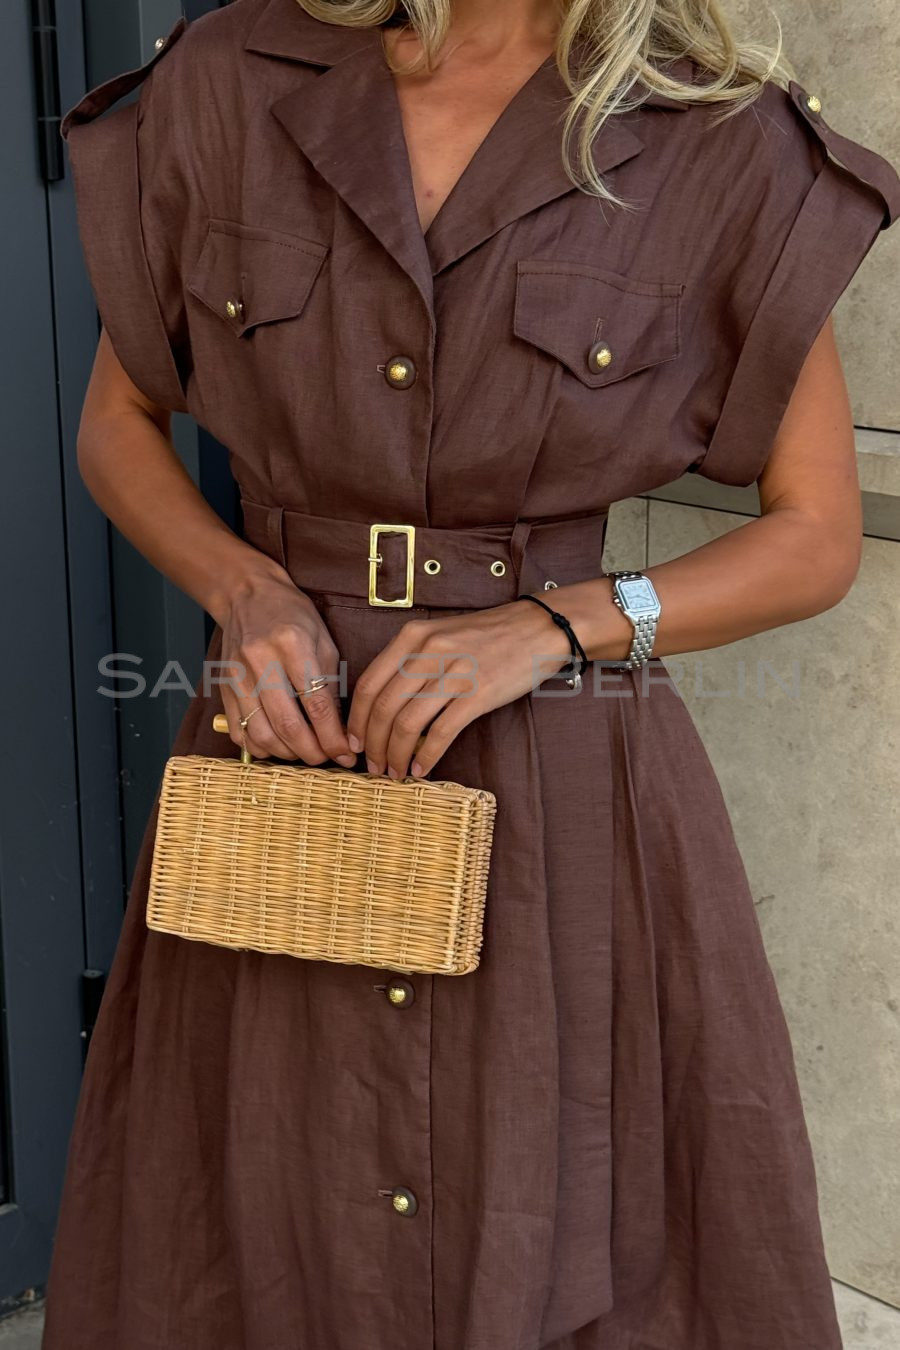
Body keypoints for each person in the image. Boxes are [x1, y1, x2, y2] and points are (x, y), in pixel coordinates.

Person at [43, 0, 899, 1346]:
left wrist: (561, 625)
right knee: (263, 1208)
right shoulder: (228, 80)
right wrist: (245, 588)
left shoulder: (714, 135)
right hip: (289, 748)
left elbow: (816, 537)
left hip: (564, 774)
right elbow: (116, 427)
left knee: (574, 1222)